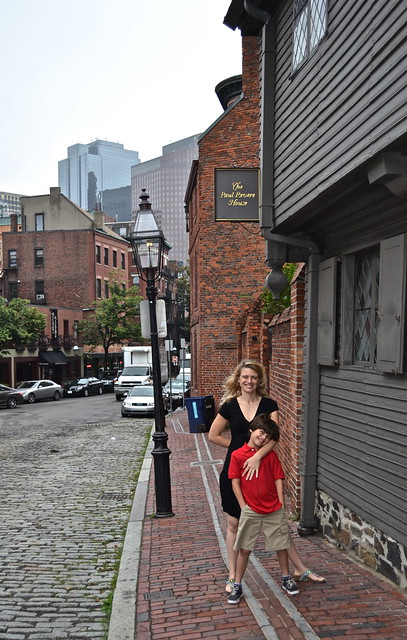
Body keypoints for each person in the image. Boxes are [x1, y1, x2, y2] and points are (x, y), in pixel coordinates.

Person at [208, 359, 325, 593]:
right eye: (245, 377)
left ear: (259, 380)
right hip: (237, 469)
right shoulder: (230, 405)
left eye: (253, 377)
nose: (249, 381)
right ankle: (233, 576)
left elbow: (274, 437)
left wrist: (256, 456)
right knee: (234, 523)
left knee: (277, 522)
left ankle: (299, 568)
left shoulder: (270, 404)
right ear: (238, 379)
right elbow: (213, 435)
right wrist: (239, 450)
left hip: (261, 470)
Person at [227, 414, 298, 603]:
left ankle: (286, 578)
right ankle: (238, 585)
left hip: (273, 507)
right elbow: (235, 483)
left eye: (268, 435)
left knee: (281, 544)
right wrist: (243, 506)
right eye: (262, 432)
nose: (264, 437)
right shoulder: (237, 455)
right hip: (251, 509)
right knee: (244, 549)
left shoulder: (270, 455)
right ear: (251, 430)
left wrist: (281, 503)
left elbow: (278, 478)